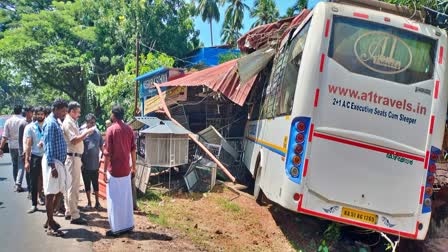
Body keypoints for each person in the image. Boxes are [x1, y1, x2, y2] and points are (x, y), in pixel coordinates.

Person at [103, 105, 136, 237]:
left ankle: (116, 228)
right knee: (126, 199)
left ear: (114, 115)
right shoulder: (129, 130)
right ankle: (127, 225)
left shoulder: (110, 130)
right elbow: (133, 150)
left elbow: (107, 153)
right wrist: (134, 166)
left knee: (114, 200)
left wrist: (104, 170)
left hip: (114, 170)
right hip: (126, 170)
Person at [61, 101, 94, 224]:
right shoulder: (68, 122)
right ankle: (75, 215)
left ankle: (69, 211)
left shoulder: (71, 122)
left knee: (70, 186)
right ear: (72, 111)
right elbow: (74, 140)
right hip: (73, 157)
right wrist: (86, 133)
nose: (79, 115)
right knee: (73, 187)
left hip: (75, 157)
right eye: (78, 112)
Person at [42, 99, 69, 237]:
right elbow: (48, 146)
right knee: (51, 192)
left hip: (59, 162)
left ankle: (49, 220)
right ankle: (51, 226)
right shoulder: (50, 123)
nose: (65, 113)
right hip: (53, 163)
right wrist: (52, 166)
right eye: (64, 110)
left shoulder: (56, 121)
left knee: (60, 190)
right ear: (57, 109)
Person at [24, 106, 45, 213]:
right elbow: (28, 144)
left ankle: (44, 198)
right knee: (34, 180)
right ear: (35, 115)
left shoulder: (48, 125)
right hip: (35, 156)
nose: (40, 116)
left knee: (46, 179)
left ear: (44, 115)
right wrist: (27, 160)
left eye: (42, 114)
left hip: (46, 156)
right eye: (38, 114)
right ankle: (34, 204)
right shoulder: (30, 127)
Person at [80, 113, 103, 210]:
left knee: (95, 183)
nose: (93, 125)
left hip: (95, 164)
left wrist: (105, 155)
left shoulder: (98, 133)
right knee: (87, 184)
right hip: (85, 164)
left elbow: (102, 147)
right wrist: (80, 162)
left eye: (94, 123)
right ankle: (89, 202)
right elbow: (79, 148)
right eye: (91, 123)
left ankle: (97, 202)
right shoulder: (83, 134)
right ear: (87, 123)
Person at [0, 105, 26, 192]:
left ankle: (16, 183)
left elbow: (4, 136)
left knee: (14, 165)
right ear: (21, 111)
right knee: (21, 165)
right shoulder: (23, 120)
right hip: (21, 145)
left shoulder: (8, 121)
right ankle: (18, 183)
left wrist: (1, 147)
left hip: (11, 146)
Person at [19, 106, 34, 198]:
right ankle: (30, 190)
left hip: (35, 151)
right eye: (28, 112)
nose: (29, 113)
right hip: (25, 151)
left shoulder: (34, 123)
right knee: (28, 172)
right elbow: (20, 139)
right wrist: (22, 151)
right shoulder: (22, 124)